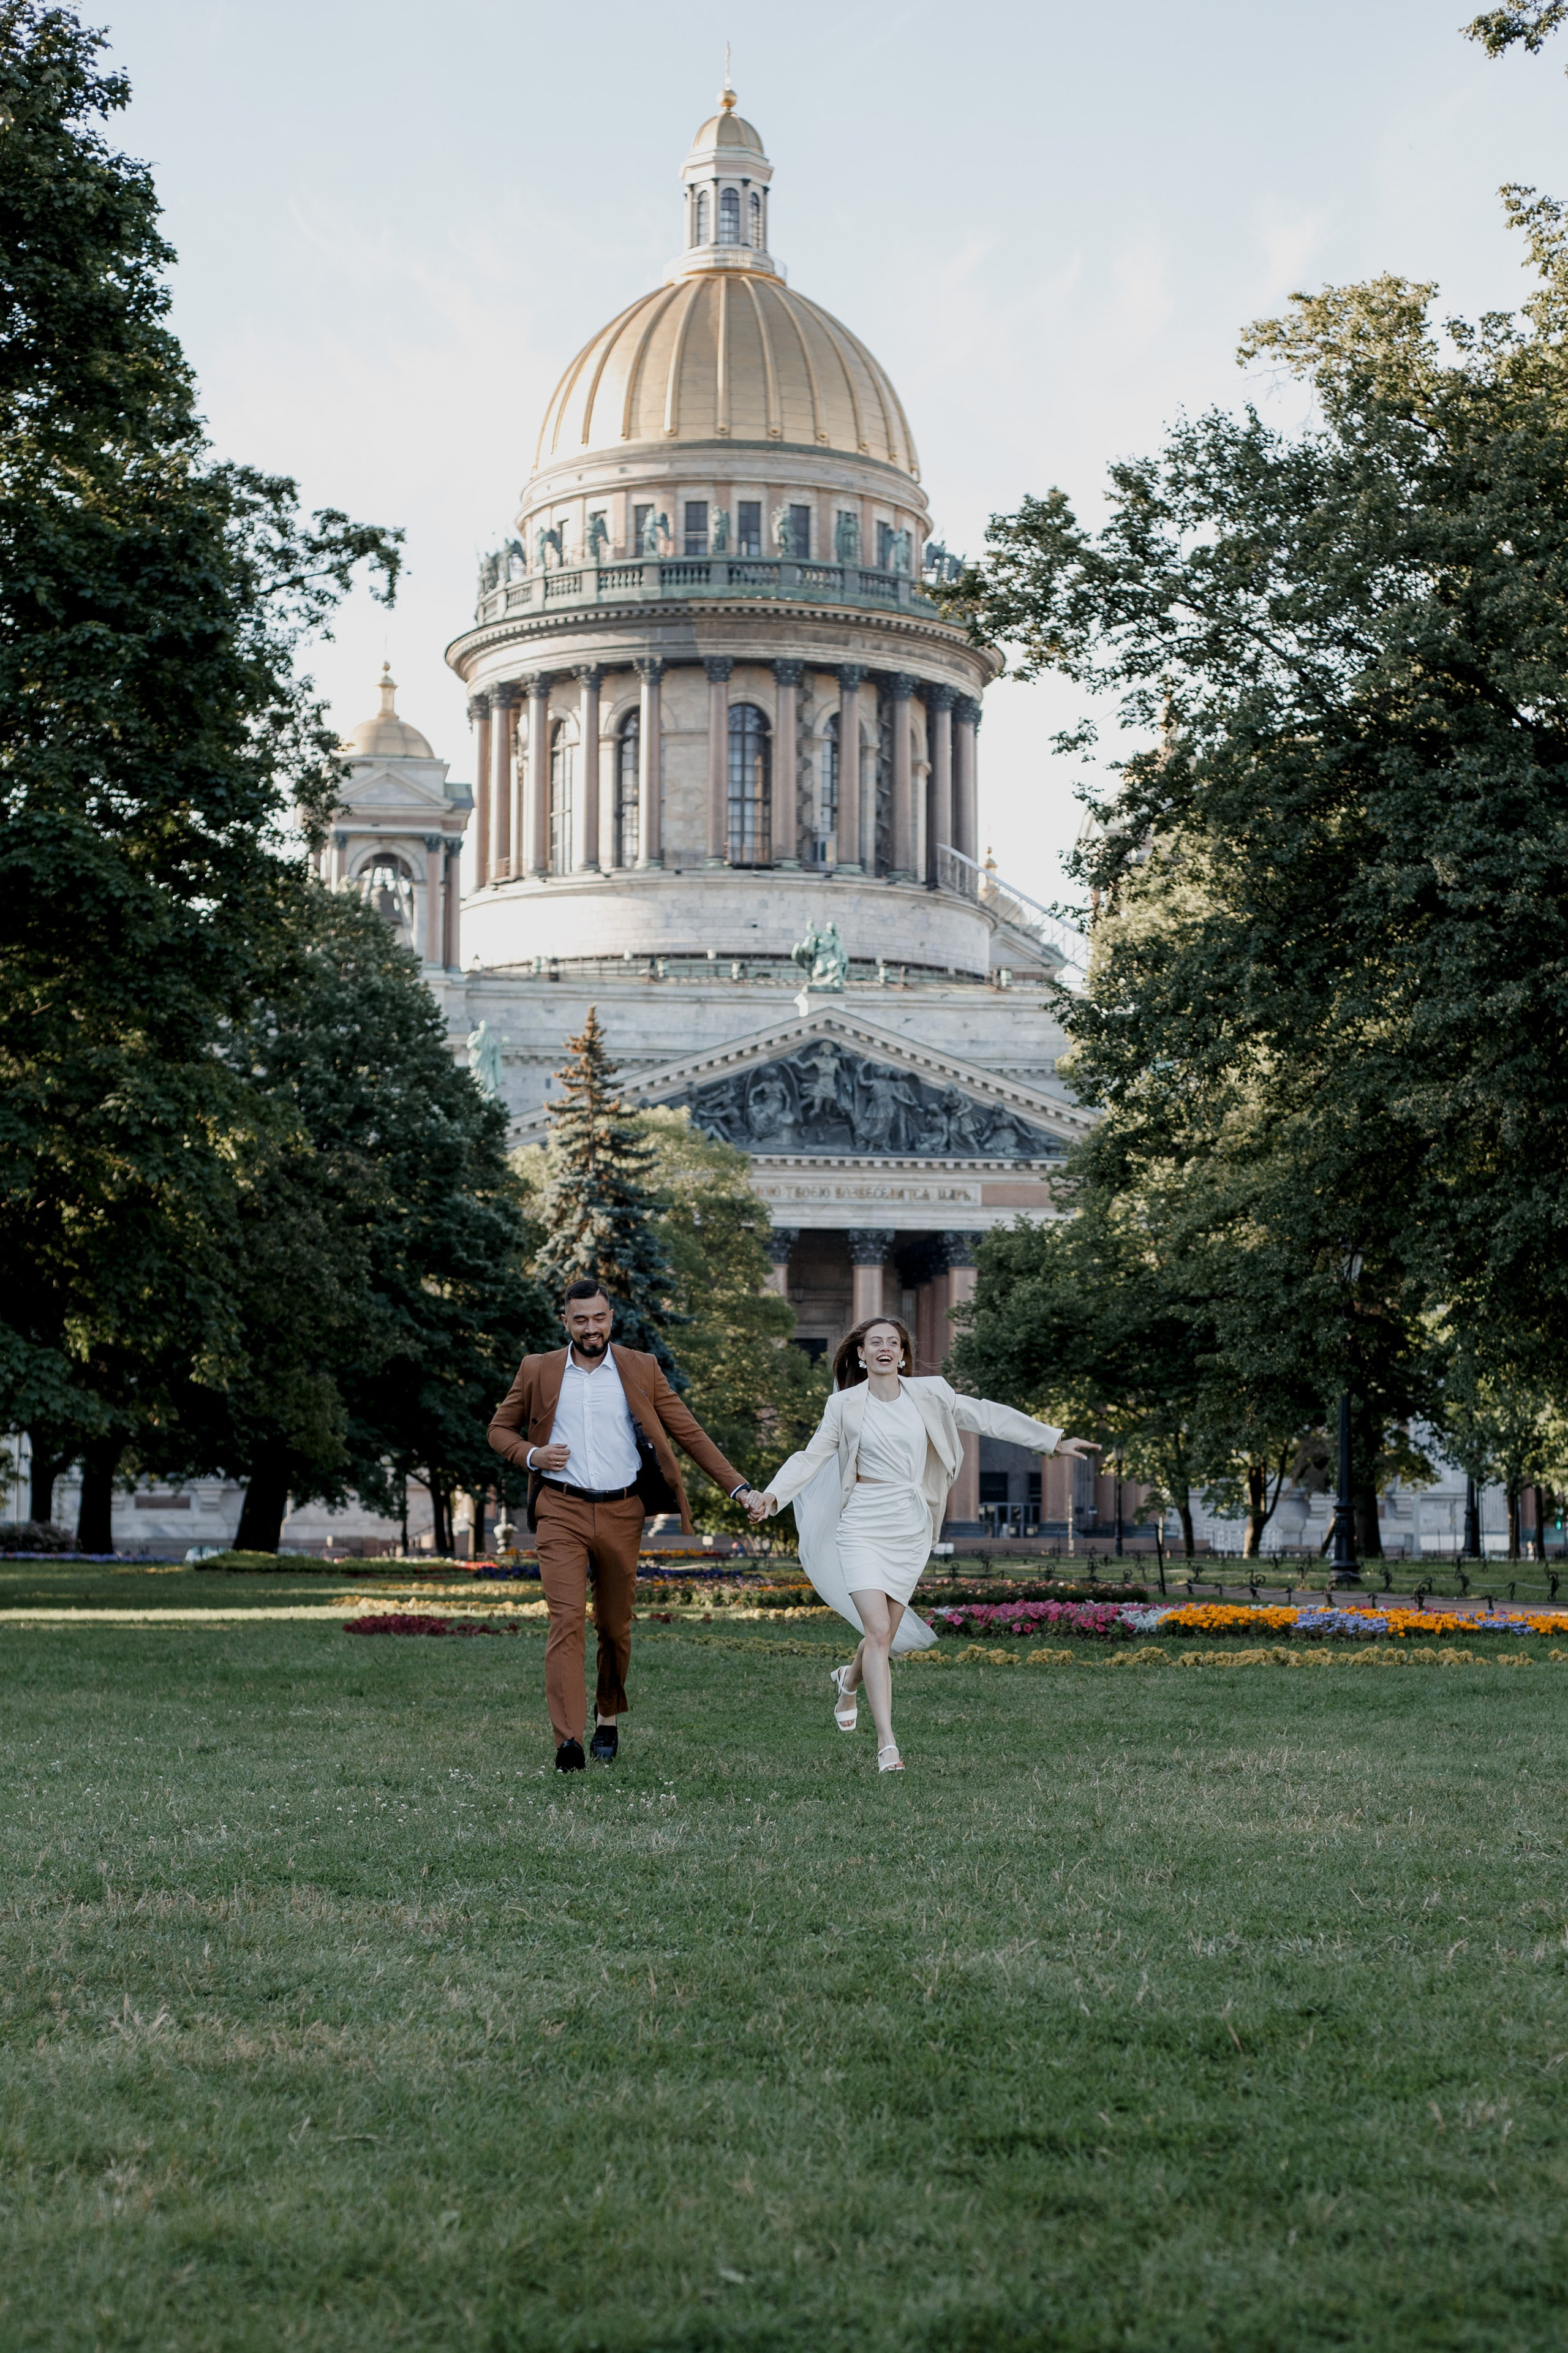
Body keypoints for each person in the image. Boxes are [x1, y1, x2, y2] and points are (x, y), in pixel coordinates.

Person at [748, 1316, 1090, 1772]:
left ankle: (848, 1681)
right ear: (861, 1355)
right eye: (876, 1343)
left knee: (882, 1635)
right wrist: (773, 1495)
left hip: (910, 1526)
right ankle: (887, 1743)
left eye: (893, 1342)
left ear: (904, 1355)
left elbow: (986, 1415)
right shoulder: (844, 1405)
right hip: (862, 1524)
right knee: (877, 1631)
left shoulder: (932, 1394)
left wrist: (1051, 1440)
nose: (885, 1348)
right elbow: (810, 1457)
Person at [489, 1278, 758, 1771]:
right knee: (566, 1619)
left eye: (599, 1318)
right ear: (564, 1322)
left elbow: (689, 1431)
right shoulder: (538, 1370)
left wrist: (738, 1488)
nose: (591, 1328)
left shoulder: (640, 1367)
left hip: (622, 1511)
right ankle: (568, 1741)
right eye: (580, 1319)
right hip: (560, 1508)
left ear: (611, 1318)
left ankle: (607, 1715)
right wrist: (532, 1454)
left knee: (613, 1627)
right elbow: (498, 1429)